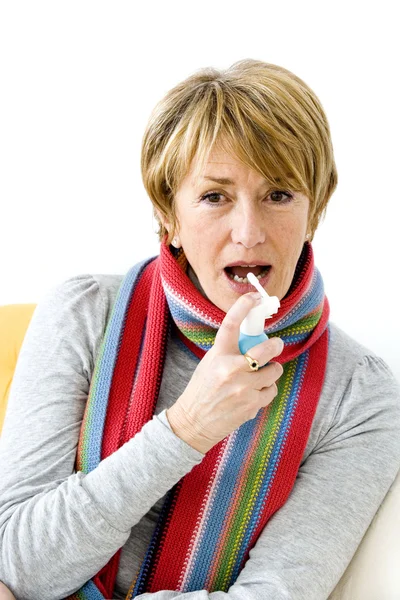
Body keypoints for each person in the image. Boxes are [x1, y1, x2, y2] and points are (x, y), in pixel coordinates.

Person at [0, 59, 400, 600]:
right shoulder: (84, 313)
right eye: (214, 196)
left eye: (279, 194)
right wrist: (186, 428)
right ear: (169, 214)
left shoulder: (361, 394)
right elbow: (20, 562)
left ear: (315, 210)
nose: (249, 232)